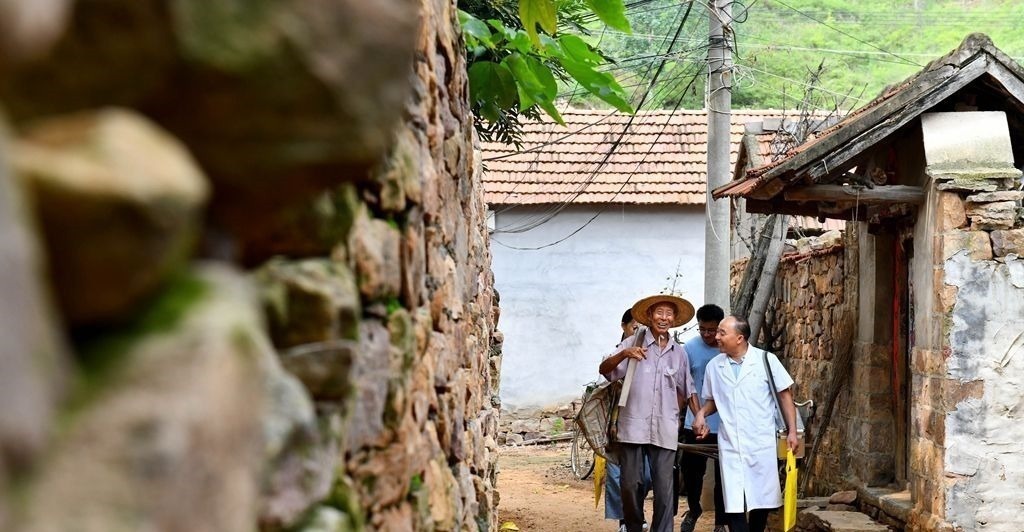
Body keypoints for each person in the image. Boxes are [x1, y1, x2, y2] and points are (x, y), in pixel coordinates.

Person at [599, 295, 699, 532]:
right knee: (630, 484)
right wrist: (624, 354)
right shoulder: (633, 343)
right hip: (633, 425)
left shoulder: (679, 353)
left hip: (665, 426)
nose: (664, 318)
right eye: (659, 312)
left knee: (664, 489)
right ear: (650, 315)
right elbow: (604, 370)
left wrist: (699, 416)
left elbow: (688, 388)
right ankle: (633, 526)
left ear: (674, 319)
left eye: (669, 314)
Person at [692, 316, 799, 532]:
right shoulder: (714, 366)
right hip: (730, 444)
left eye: (722, 333)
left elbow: (785, 396)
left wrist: (792, 432)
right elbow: (713, 401)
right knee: (734, 503)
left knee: (761, 501)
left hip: (761, 443)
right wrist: (701, 414)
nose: (716, 337)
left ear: (739, 338)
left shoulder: (765, 360)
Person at [678, 304, 727, 532]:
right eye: (702, 329)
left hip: (725, 424)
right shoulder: (689, 348)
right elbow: (685, 385)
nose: (707, 334)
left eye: (711, 330)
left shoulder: (727, 348)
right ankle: (694, 509)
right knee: (692, 473)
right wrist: (695, 416)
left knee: (724, 476)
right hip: (695, 423)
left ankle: (721, 522)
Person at [605, 309, 652, 532]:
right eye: (634, 326)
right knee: (618, 474)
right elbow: (605, 377)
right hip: (618, 424)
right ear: (623, 326)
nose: (639, 330)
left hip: (645, 423)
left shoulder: (650, 352)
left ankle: (635, 514)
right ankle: (625, 520)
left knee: (646, 475)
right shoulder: (617, 353)